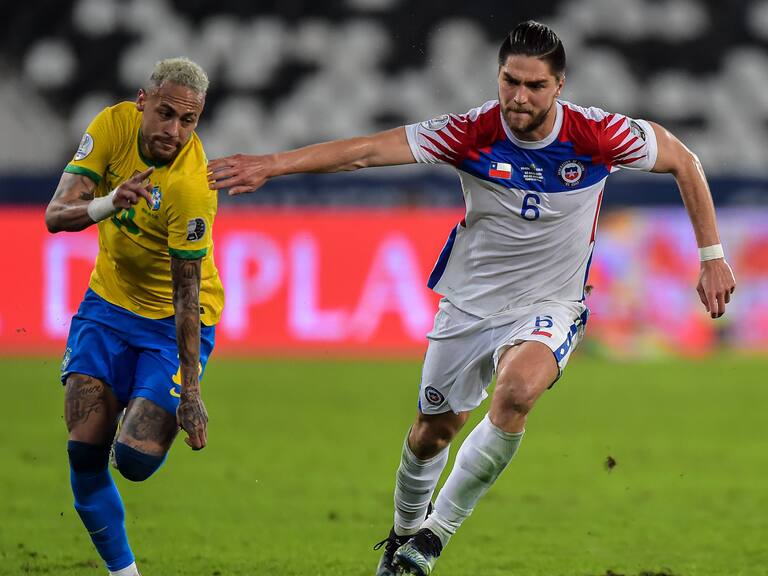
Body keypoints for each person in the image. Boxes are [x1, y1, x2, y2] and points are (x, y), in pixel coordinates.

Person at [209, 21, 736, 576]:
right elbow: (365, 151)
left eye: (535, 85)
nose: (519, 96)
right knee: (431, 431)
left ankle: (435, 537)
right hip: (470, 305)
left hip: (551, 304)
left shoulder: (598, 135)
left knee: (517, 394)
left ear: (560, 86)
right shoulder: (469, 132)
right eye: (510, 80)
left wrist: (712, 255)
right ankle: (405, 534)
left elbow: (684, 160)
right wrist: (272, 164)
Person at [46, 57, 223, 576]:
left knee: (136, 463)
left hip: (171, 323)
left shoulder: (192, 186)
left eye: (187, 121)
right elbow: (57, 216)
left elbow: (186, 294)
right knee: (84, 457)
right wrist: (108, 203)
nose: (174, 131)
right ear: (142, 101)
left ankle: (137, 399)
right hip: (107, 307)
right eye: (165, 114)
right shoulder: (111, 125)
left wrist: (190, 393)